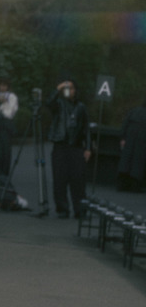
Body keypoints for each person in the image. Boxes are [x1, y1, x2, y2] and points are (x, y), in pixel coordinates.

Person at [47, 79, 91, 218]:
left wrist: (88, 147)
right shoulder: (59, 104)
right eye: (67, 88)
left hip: (76, 146)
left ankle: (80, 210)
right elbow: (49, 103)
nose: (69, 91)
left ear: (75, 90)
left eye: (71, 88)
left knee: (78, 180)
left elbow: (86, 128)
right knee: (59, 179)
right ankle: (62, 209)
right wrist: (58, 88)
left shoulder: (81, 107)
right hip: (60, 145)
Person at [118, 99, 146, 191]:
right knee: (138, 164)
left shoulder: (134, 111)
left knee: (125, 161)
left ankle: (122, 185)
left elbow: (125, 124)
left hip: (130, 138)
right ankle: (134, 187)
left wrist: (123, 137)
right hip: (142, 140)